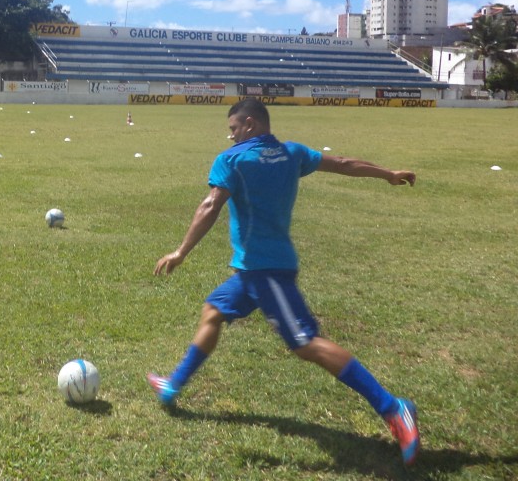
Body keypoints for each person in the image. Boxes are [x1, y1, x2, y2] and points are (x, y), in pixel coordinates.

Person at [147, 98, 420, 466]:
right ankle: (174, 385)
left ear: (248, 123)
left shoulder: (233, 160)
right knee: (212, 312)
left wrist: (181, 252)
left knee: (306, 343)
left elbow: (211, 205)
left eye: (232, 129)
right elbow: (342, 164)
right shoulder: (292, 153)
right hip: (254, 271)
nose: (230, 136)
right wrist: (386, 173)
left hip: (265, 271)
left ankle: (393, 407)